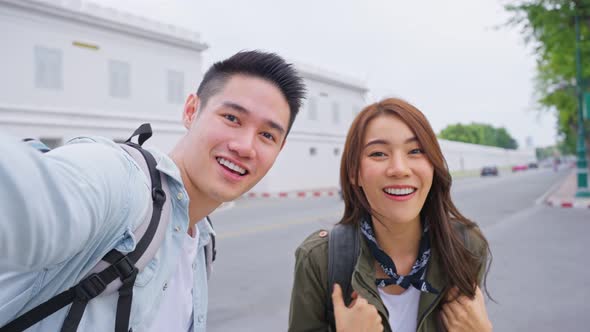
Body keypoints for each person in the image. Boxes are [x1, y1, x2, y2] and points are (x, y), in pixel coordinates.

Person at [0, 51, 305, 332]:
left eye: (267, 135)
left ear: (280, 148)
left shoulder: (202, 242)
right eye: (231, 118)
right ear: (191, 111)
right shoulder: (120, 180)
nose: (245, 147)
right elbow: (30, 204)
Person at [289, 98, 493, 332]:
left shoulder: (466, 245)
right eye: (378, 154)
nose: (399, 169)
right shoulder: (319, 259)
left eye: (415, 151)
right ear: (354, 172)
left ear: (433, 166)